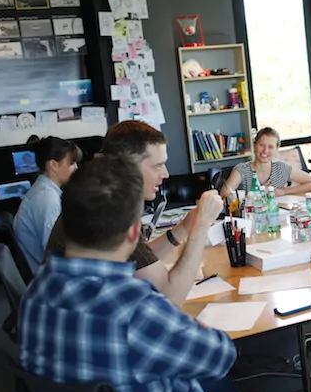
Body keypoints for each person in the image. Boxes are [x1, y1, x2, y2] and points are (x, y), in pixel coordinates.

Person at [19, 156, 311, 392]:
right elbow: (221, 357)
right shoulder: (134, 307)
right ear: (135, 235)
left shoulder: (34, 295)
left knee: (217, 387)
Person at [45, 120, 209, 307]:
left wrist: (184, 228)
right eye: (158, 165)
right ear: (128, 166)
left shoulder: (100, 195)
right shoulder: (107, 207)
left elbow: (138, 260)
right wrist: (201, 227)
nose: (166, 174)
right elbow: (169, 298)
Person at [13, 135, 82, 273]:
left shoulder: (44, 190)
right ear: (54, 165)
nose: (76, 168)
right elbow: (56, 251)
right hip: (47, 276)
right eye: (71, 163)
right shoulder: (47, 199)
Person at [220, 127, 311, 197]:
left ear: (276, 149)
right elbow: (224, 195)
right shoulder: (241, 170)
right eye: (261, 145)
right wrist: (255, 194)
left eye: (270, 147)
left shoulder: (281, 168)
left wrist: (284, 191)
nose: (265, 151)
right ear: (254, 145)